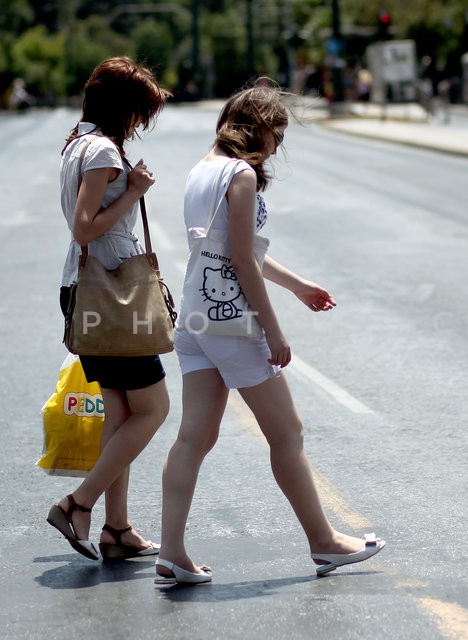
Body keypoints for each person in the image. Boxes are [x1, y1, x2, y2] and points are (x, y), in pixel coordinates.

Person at [155, 81, 386, 586]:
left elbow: (230, 249)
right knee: (287, 433)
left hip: (195, 317)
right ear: (257, 127)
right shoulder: (240, 176)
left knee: (193, 437)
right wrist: (274, 332)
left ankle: (171, 552)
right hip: (233, 323)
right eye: (277, 134)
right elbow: (241, 261)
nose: (278, 147)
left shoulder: (201, 170)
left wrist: (299, 284)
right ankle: (324, 542)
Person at [46, 57, 172, 562]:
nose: (141, 123)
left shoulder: (78, 140)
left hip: (86, 289)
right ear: (123, 108)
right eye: (140, 112)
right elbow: (85, 226)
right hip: (112, 295)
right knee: (155, 408)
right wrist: (136, 192)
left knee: (121, 413)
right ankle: (76, 504)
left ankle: (117, 530)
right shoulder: (101, 151)